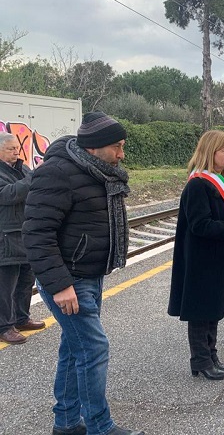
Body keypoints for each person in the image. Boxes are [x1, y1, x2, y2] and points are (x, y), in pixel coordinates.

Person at [22, 112, 144, 435]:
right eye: (117, 147)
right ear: (95, 147)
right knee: (93, 348)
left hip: (90, 276)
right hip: (67, 279)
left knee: (73, 347)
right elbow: (36, 233)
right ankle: (99, 426)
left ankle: (65, 423)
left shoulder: (99, 173)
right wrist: (61, 285)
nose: (122, 154)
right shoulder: (58, 172)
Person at [168, 130, 224, 380]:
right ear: (211, 152)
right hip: (201, 259)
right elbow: (199, 225)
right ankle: (200, 360)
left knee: (215, 307)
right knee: (201, 310)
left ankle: (211, 354)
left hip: (220, 254)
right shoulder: (198, 184)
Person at [0, 132, 44, 345]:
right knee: (5, 285)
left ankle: (21, 317)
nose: (16, 152)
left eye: (17, 148)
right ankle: (5, 327)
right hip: (5, 236)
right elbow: (8, 194)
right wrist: (34, 177)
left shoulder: (22, 169)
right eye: (10, 149)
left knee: (26, 280)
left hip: (26, 232)